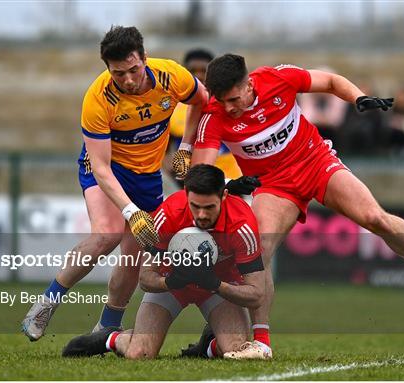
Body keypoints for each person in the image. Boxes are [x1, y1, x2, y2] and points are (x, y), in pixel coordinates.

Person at [188, 54, 404, 359]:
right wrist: (227, 186)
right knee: (258, 248)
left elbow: (329, 82)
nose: (228, 107)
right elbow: (201, 175)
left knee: (375, 218)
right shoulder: (214, 116)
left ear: (248, 84)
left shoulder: (278, 79)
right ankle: (262, 343)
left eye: (233, 99)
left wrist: (359, 98)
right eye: (221, 101)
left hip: (316, 162)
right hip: (274, 185)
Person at [21, 26, 209, 341]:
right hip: (107, 169)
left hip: (147, 175)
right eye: (119, 74)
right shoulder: (98, 97)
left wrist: (186, 147)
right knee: (106, 235)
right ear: (108, 69)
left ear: (145, 59)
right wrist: (131, 212)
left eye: (134, 70)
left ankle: (107, 325)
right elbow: (100, 166)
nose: (129, 80)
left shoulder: (170, 75)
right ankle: (46, 303)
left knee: (135, 253)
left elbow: (201, 101)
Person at [61, 164, 267, 360]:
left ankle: (209, 345)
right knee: (139, 354)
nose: (202, 215)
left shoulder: (242, 224)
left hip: (219, 288)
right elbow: (145, 278)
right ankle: (111, 338)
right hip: (172, 286)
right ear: (186, 194)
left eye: (209, 207)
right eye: (195, 206)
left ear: (224, 196)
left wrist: (215, 284)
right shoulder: (168, 214)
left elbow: (256, 295)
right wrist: (170, 282)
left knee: (237, 351)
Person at [165, 48, 241, 185]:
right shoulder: (172, 109)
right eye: (193, 71)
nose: (199, 76)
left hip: (232, 183)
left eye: (204, 71)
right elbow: (163, 149)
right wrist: (173, 171)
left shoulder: (231, 106)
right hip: (192, 185)